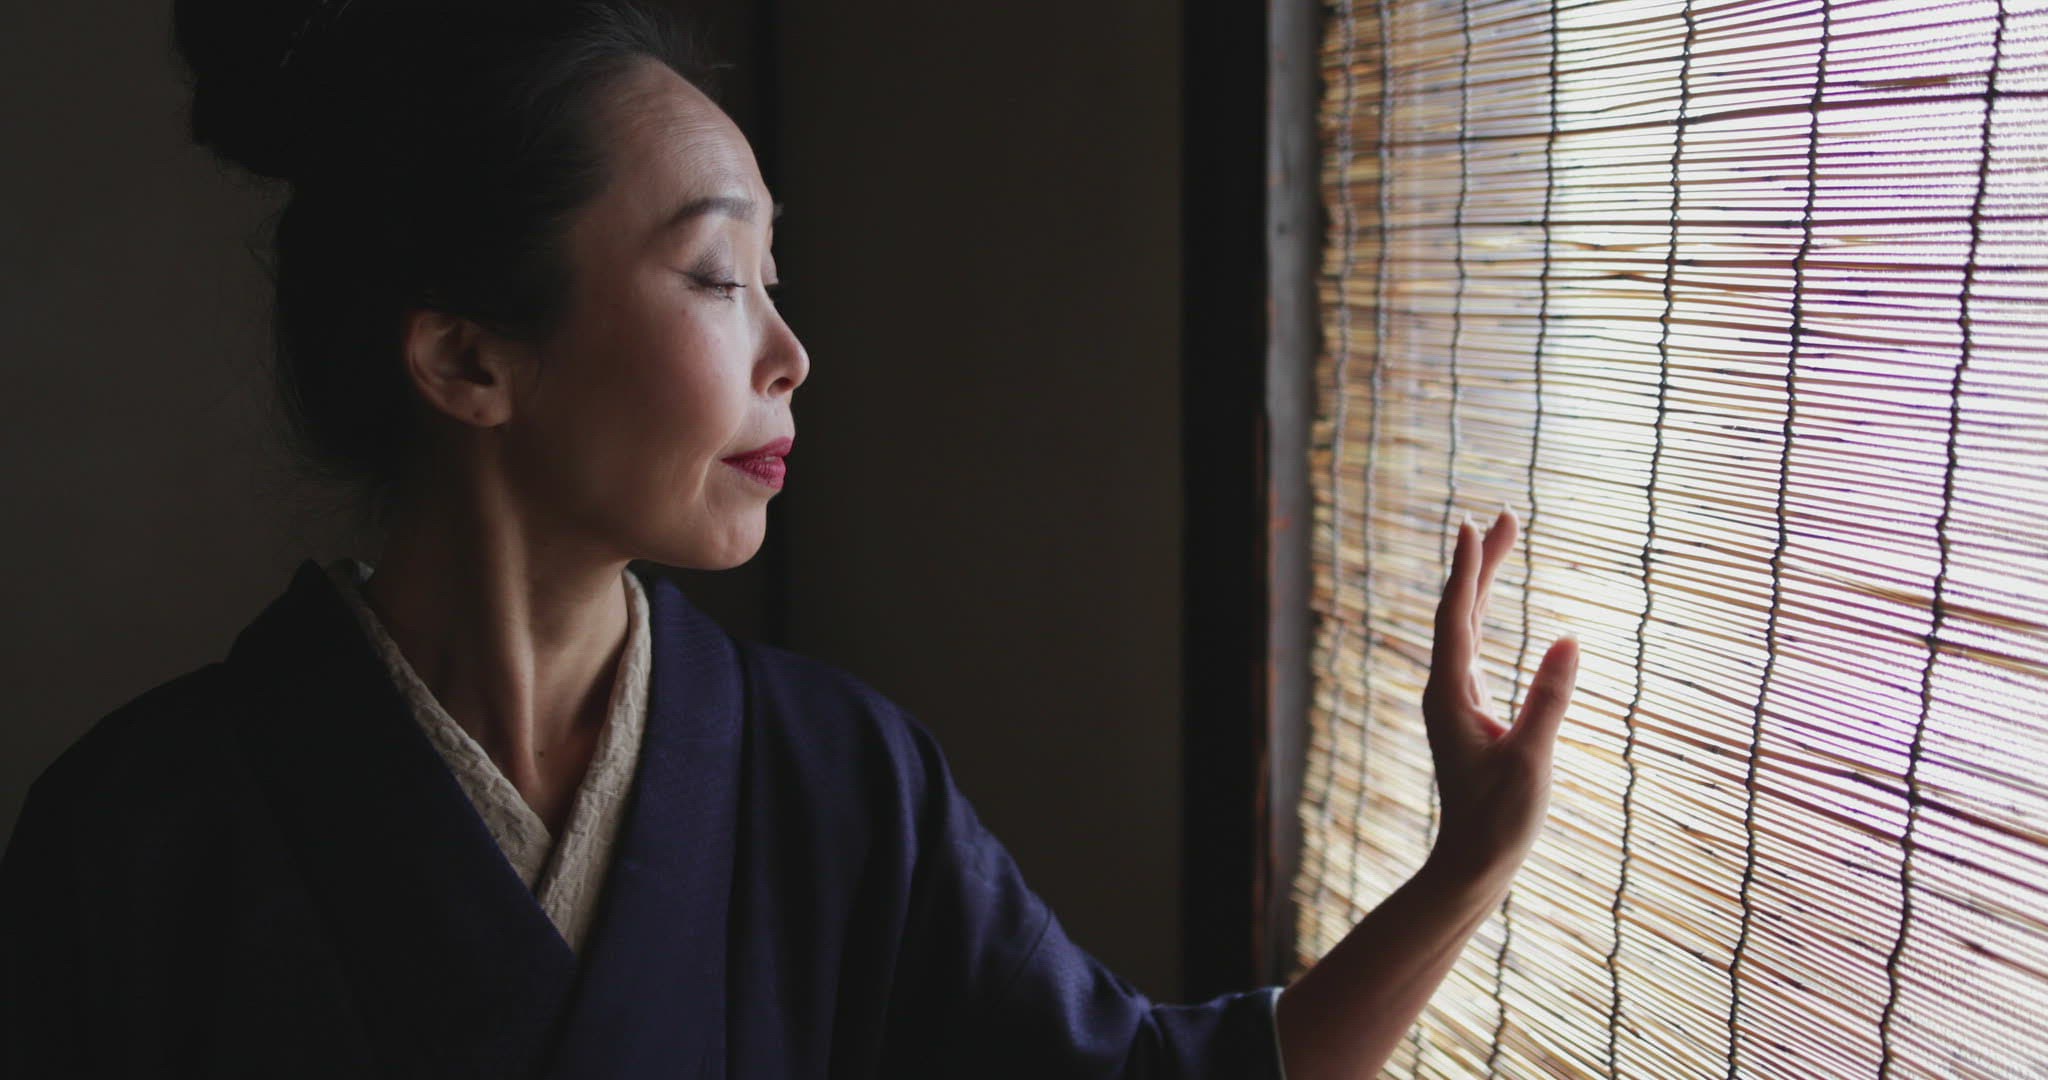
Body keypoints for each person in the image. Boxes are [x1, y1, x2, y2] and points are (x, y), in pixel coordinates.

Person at [0, 1, 1581, 1076]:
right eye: (715, 278)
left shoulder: (839, 778)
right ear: (469, 358)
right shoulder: (132, 836)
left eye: (776, 278)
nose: (791, 354)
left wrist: (1470, 864)